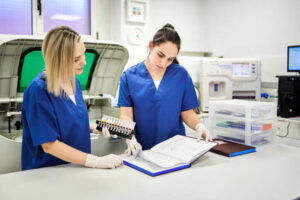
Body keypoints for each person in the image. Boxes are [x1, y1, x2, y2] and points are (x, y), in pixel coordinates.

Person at [21, 26, 123, 170]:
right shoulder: (38, 90)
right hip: (48, 173)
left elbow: (71, 124)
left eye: (84, 55)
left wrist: (98, 128)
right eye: (76, 59)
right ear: (57, 60)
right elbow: (49, 145)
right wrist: (96, 161)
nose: (84, 63)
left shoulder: (73, 82)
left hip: (77, 168)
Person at [118, 24, 212, 156]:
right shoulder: (129, 76)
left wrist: (199, 125)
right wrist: (130, 138)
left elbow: (187, 113)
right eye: (160, 55)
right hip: (143, 150)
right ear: (151, 46)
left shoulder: (181, 75)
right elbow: (126, 115)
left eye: (170, 59)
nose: (163, 63)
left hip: (177, 150)